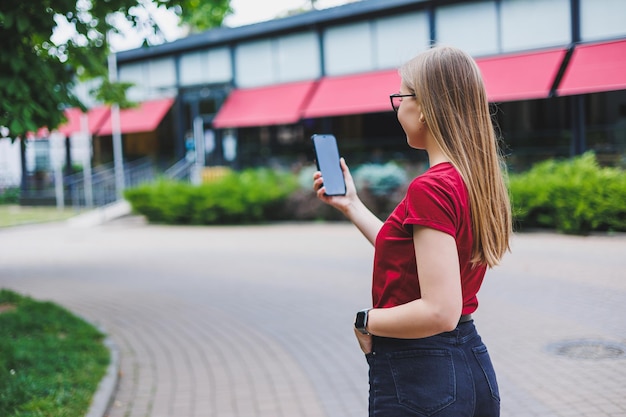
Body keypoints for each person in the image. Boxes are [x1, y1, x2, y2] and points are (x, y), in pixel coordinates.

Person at [313, 45, 512, 417]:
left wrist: (366, 321)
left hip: (422, 372)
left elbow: (439, 311)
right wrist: (352, 205)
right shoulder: (473, 180)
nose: (397, 107)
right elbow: (411, 257)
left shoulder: (432, 187)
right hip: (469, 362)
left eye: (400, 95)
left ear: (424, 106)